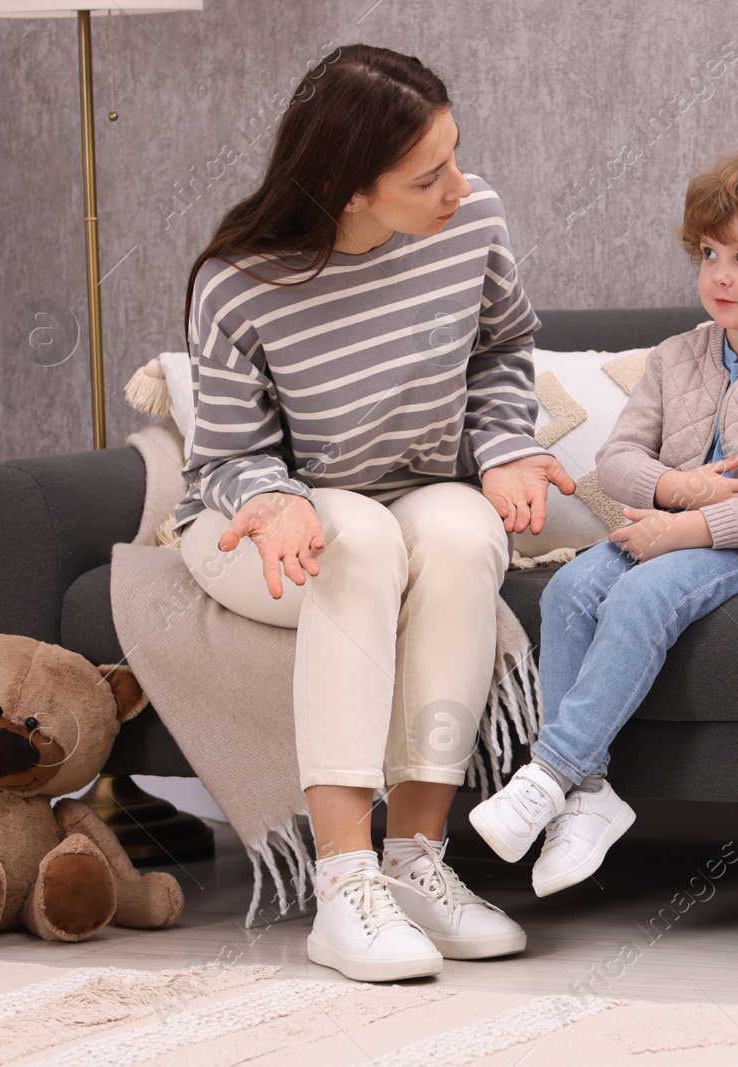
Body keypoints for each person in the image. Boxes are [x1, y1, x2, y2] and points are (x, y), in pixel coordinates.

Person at [173, 44, 574, 982]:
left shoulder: (473, 218)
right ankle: (342, 885)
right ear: (349, 188)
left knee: (465, 531)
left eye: (456, 155)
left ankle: (414, 866)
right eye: (426, 174)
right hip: (258, 522)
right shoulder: (242, 280)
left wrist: (508, 446)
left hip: (411, 490)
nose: (457, 185)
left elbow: (503, 351)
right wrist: (274, 503)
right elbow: (226, 456)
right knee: (355, 538)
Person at [470, 149, 738, 897]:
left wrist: (679, 529)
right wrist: (677, 486)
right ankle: (588, 797)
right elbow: (618, 460)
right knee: (567, 592)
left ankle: (548, 774)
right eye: (711, 253)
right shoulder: (675, 356)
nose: (720, 273)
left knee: (642, 596)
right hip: (664, 521)